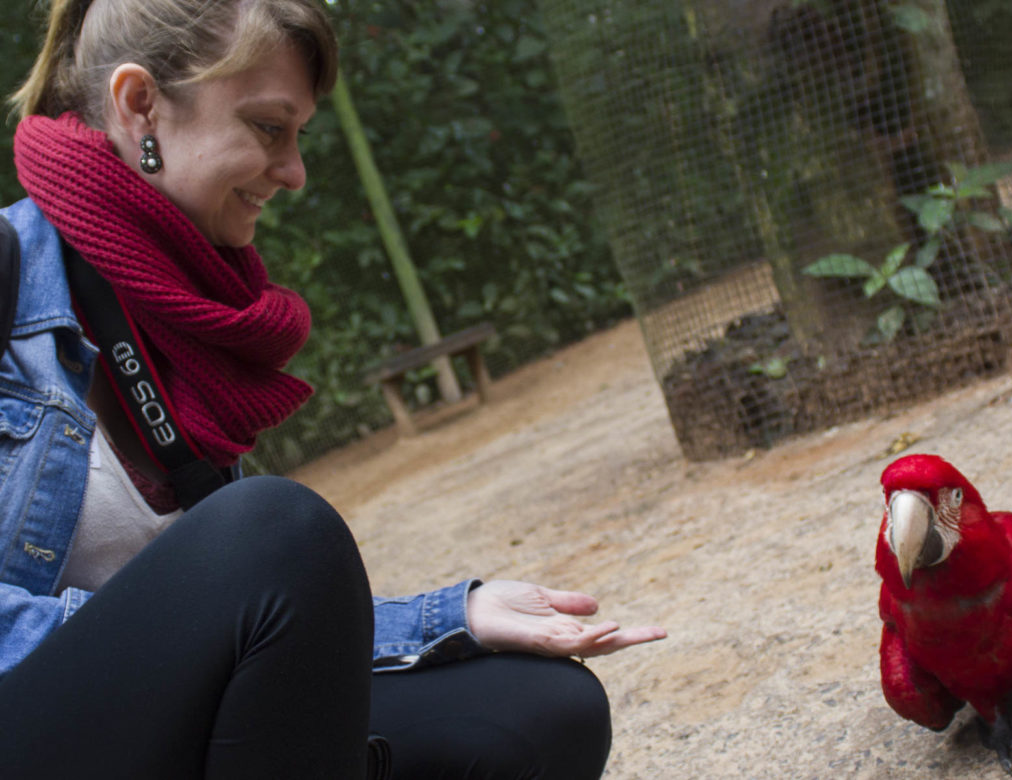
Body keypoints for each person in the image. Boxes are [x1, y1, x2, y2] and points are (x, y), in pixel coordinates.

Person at [0, 0, 667, 777]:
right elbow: (239, 597)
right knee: (277, 528)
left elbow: (252, 625)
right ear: (139, 103)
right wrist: (178, 647)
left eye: (300, 136)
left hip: (166, 722)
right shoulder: (12, 274)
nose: (294, 172)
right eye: (267, 127)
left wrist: (450, 618)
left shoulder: (183, 311)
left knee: (542, 710)